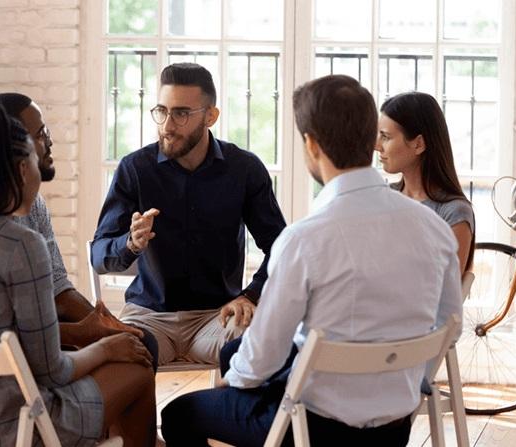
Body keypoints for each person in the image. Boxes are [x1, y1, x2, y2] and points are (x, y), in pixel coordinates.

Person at [161, 75, 463, 447]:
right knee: (239, 356)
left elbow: (262, 360)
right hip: (396, 425)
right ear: (371, 139)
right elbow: (451, 324)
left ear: (311, 144)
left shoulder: (304, 239)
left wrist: (234, 380)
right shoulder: (434, 229)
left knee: (179, 414)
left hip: (312, 427)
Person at [0, 95, 156, 447]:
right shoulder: (19, 244)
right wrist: (105, 349)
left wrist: (92, 335)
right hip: (10, 429)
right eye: (35, 157)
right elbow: (50, 371)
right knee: (137, 370)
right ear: (21, 169)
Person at [0, 92, 145, 352]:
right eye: (40, 134)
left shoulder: (31, 205)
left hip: (13, 344)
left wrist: (100, 326)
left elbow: (57, 288)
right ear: (10, 144)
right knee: (131, 359)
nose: (50, 142)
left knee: (138, 345)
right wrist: (86, 337)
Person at [90, 63, 287, 367]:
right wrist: (130, 244)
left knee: (262, 347)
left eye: (181, 114)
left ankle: (226, 415)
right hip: (149, 317)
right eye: (162, 111)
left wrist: (250, 295)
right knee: (124, 356)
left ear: (211, 116)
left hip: (217, 317)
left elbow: (281, 247)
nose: (167, 125)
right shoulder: (135, 169)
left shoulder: (244, 170)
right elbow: (99, 255)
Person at [376, 91, 475, 275]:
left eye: (386, 137)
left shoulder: (454, 212)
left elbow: (447, 291)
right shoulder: (384, 198)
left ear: (418, 144)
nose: (377, 145)